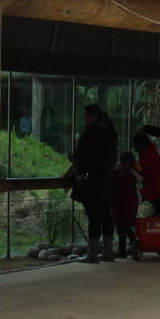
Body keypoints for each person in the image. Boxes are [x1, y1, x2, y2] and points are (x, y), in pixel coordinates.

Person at [68, 103, 119, 262]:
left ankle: (92, 254)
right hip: (108, 179)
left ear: (90, 116)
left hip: (92, 180)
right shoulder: (110, 131)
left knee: (93, 216)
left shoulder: (90, 133)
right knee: (106, 215)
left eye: (85, 115)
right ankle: (108, 252)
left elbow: (82, 156)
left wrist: (73, 159)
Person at [131, 129, 160, 215]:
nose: (134, 147)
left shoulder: (146, 156)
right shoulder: (150, 152)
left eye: (135, 145)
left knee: (158, 209)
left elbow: (143, 172)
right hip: (158, 186)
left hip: (155, 187)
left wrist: (133, 168)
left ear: (140, 144)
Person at [111, 150, 142, 258]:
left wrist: (131, 170)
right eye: (121, 162)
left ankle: (127, 248)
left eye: (124, 163)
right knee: (122, 227)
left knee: (124, 227)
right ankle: (129, 247)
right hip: (119, 203)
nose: (121, 165)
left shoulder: (131, 174)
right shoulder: (119, 173)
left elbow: (140, 179)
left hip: (127, 204)